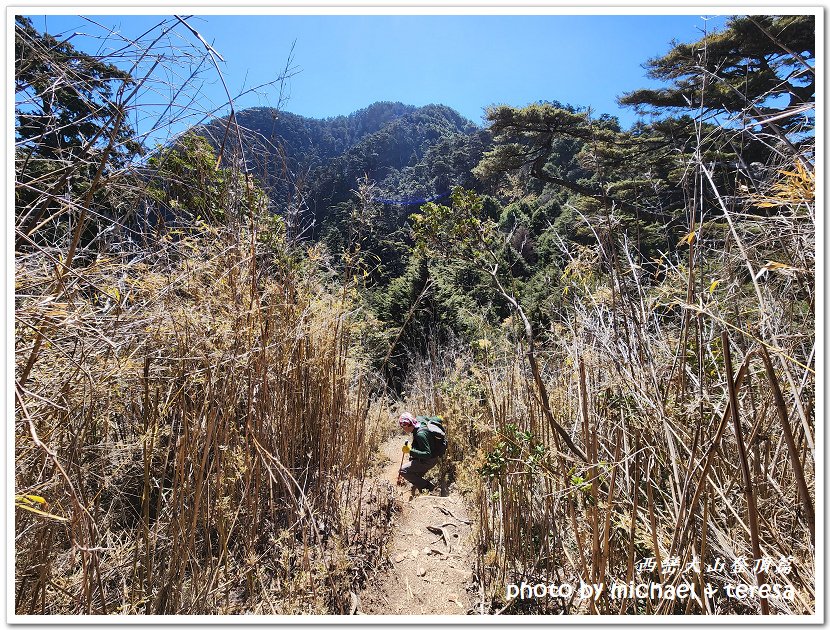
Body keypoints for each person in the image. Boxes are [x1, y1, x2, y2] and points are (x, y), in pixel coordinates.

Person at [397, 412, 441, 493]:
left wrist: (410, 451)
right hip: (432, 456)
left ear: (406, 426)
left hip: (429, 460)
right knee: (412, 460)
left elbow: (427, 454)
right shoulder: (420, 421)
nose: (403, 429)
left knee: (403, 471)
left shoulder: (420, 435)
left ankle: (428, 487)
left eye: (403, 427)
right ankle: (418, 478)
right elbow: (433, 418)